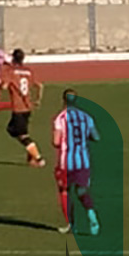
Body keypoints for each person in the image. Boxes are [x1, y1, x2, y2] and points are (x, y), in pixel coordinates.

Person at [52, 89, 101, 235]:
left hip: (66, 162)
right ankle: (92, 216)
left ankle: (71, 224)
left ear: (63, 100)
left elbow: (55, 141)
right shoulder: (86, 117)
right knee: (81, 190)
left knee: (64, 191)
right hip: (83, 161)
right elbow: (96, 137)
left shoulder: (61, 118)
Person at [0, 48, 45, 167]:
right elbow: (40, 86)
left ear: (13, 58)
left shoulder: (11, 71)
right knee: (14, 130)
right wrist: (38, 99)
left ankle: (39, 158)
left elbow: (4, 86)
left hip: (18, 107)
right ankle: (31, 158)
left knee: (21, 135)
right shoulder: (28, 71)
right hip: (27, 107)